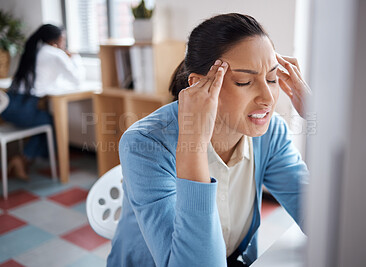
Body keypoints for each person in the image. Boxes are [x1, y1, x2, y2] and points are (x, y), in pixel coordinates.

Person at [107, 13, 312, 266]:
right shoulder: (145, 145)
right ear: (198, 84)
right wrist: (193, 144)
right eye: (244, 81)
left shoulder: (271, 132)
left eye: (271, 78)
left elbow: (318, 218)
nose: (268, 98)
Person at [1, 24, 84, 180]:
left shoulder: (33, 50)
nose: (64, 42)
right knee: (52, 123)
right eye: (63, 39)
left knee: (45, 120)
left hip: (9, 106)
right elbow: (77, 80)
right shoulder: (54, 53)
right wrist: (75, 57)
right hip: (24, 109)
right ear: (57, 40)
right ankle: (23, 159)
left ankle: (24, 159)